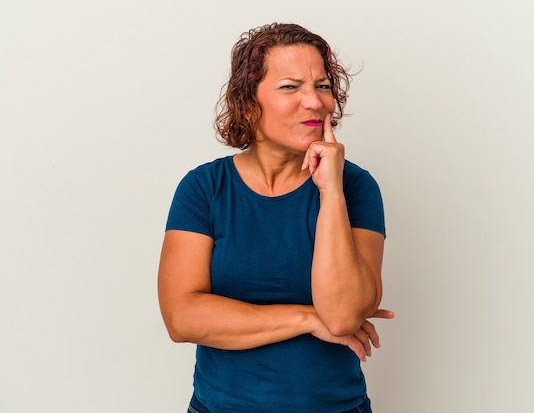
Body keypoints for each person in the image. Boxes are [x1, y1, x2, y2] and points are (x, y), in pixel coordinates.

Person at [158, 22, 394, 413]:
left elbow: (341, 317)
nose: (316, 102)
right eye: (291, 86)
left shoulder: (355, 187)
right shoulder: (204, 188)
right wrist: (306, 318)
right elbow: (182, 318)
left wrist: (330, 191)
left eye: (322, 85)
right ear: (249, 103)